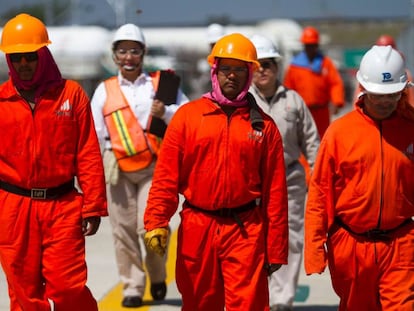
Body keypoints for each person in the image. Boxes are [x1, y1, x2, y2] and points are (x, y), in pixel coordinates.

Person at [143, 33, 289, 311]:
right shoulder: (188, 117)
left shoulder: (264, 127)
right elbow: (166, 176)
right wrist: (156, 222)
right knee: (199, 302)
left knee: (249, 305)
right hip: (198, 228)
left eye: (239, 70)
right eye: (226, 69)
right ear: (215, 71)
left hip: (245, 230)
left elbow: (275, 193)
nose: (231, 76)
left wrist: (276, 246)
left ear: (249, 74)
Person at [0, 13, 107, 311]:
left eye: (30, 56)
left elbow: (87, 152)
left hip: (62, 206)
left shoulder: (70, 95)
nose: (24, 64)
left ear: (43, 54)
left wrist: (94, 205)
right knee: (23, 291)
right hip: (12, 209)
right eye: (17, 57)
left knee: (68, 287)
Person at [304, 45, 414, 311]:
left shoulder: (411, 129)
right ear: (364, 89)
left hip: (401, 243)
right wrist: (315, 249)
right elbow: (320, 193)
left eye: (392, 94)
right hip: (351, 245)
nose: (386, 101)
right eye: (379, 95)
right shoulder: (340, 133)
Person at [90, 23, 189, 308]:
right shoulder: (104, 90)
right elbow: (95, 133)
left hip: (153, 167)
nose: (128, 57)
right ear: (114, 56)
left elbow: (187, 115)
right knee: (123, 232)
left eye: (134, 51)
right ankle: (133, 285)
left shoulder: (160, 84)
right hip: (117, 168)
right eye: (122, 51)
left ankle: (157, 275)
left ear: (143, 53)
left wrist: (166, 112)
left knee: (150, 228)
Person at [249, 34, 320, 311]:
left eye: (268, 64)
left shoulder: (293, 101)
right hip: (252, 182)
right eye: (257, 64)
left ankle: (282, 299)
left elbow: (312, 142)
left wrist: (317, 179)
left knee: (289, 238)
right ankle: (258, 295)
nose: (263, 70)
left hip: (289, 179)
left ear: (278, 67)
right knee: (254, 239)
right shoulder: (243, 102)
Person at [284, 26, 345, 138]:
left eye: (312, 45)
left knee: (323, 139)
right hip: (302, 111)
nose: (310, 48)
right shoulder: (295, 66)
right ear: (304, 46)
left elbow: (335, 83)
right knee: (303, 140)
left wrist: (336, 101)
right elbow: (288, 88)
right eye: (307, 45)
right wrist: (289, 107)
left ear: (317, 45)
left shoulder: (326, 63)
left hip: (322, 111)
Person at [353, 34, 414, 106]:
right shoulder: (368, 74)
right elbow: (358, 99)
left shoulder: (405, 75)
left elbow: (411, 101)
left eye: (392, 95)